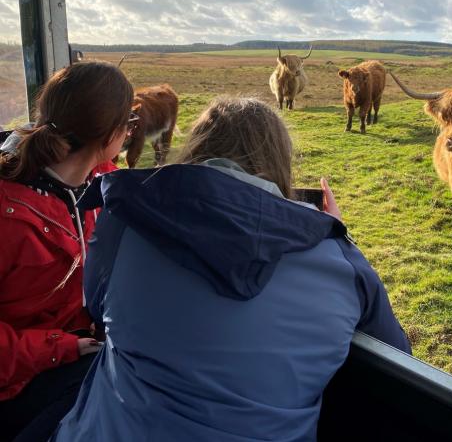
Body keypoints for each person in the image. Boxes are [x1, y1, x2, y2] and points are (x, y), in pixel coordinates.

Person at [53, 97, 411, 442]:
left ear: (195, 150)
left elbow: (96, 305)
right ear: (279, 162)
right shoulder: (338, 258)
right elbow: (399, 363)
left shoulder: (126, 218)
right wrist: (333, 236)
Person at [0, 61, 134, 442]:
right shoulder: (8, 215)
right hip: (20, 380)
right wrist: (61, 348)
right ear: (113, 133)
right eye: (129, 124)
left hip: (71, 349)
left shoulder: (102, 184)